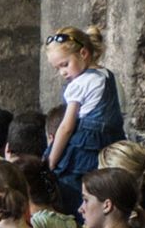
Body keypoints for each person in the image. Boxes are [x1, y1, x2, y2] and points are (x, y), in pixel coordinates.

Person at [45, 25, 125, 198]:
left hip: (86, 148)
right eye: (57, 68)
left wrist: (51, 161)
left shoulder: (80, 84)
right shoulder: (108, 75)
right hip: (114, 144)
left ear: (83, 53)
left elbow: (66, 127)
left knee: (69, 186)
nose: (62, 73)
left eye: (65, 65)